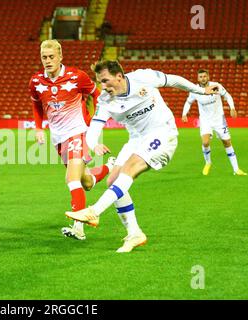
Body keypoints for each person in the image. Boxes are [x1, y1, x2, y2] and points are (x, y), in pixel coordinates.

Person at [65, 60, 219, 253]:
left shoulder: (143, 77)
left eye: (105, 81)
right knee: (113, 180)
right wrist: (94, 144)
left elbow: (173, 80)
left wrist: (200, 90)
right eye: (99, 82)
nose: (102, 87)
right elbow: (94, 126)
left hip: (162, 133)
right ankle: (135, 233)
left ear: (119, 76)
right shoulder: (105, 100)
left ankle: (94, 211)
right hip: (136, 139)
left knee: (131, 167)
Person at [29, 40, 115, 241]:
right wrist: (39, 128)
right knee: (85, 182)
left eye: (51, 57)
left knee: (71, 179)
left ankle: (79, 228)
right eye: (44, 57)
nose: (48, 61)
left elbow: (97, 94)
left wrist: (94, 121)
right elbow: (36, 106)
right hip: (59, 138)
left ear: (60, 56)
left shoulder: (77, 77)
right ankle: (109, 168)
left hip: (78, 132)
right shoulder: (36, 82)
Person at [182, 69, 247, 176]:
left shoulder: (216, 86)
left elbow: (228, 96)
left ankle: (236, 169)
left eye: (204, 76)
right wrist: (184, 114)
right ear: (198, 79)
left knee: (227, 143)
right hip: (205, 120)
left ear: (208, 77)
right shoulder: (194, 89)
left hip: (219, 120)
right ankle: (208, 163)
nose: (203, 78)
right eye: (201, 77)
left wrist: (232, 108)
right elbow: (188, 102)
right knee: (205, 142)